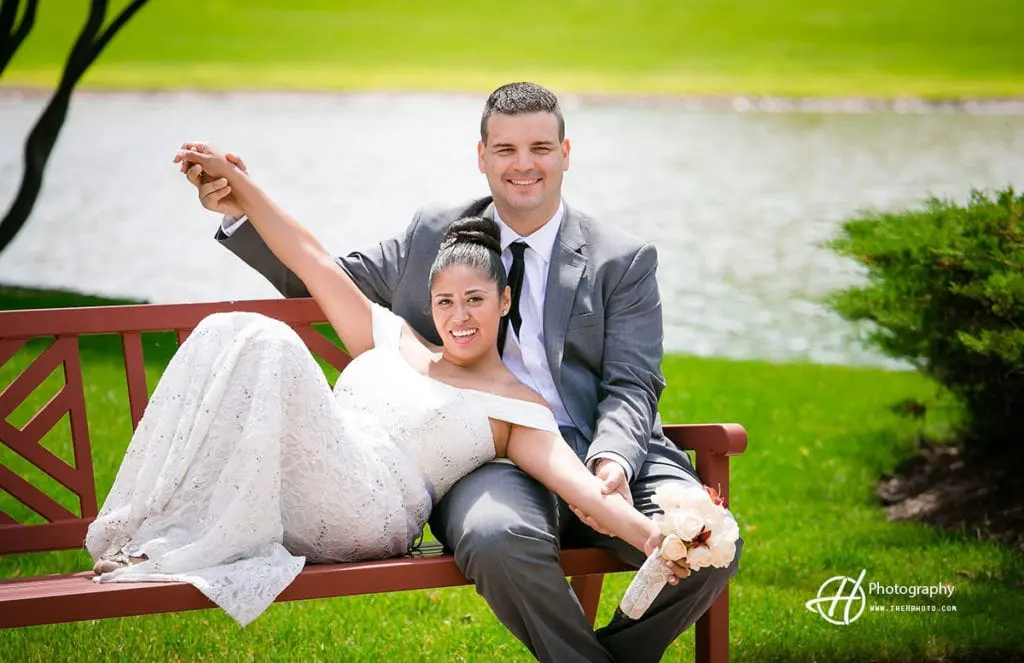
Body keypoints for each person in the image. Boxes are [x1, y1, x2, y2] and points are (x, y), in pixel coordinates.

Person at [188, 82, 742, 662]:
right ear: (481, 156)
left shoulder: (621, 259)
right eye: (504, 149)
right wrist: (240, 208)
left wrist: (613, 460)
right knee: (495, 538)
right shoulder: (435, 236)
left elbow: (633, 384)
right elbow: (323, 275)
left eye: (540, 148)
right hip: (486, 454)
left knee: (712, 544)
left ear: (565, 153)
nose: (523, 165)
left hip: (605, 446)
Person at [86, 162, 664, 628]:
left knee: (270, 341)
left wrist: (652, 536)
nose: (459, 318)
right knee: (222, 327)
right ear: (429, 304)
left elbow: (585, 491)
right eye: (445, 302)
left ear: (504, 303)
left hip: (373, 508)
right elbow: (311, 258)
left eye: (475, 301)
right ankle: (160, 523)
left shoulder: (516, 408)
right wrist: (244, 188)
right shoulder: (387, 335)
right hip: (313, 481)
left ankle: (187, 529)